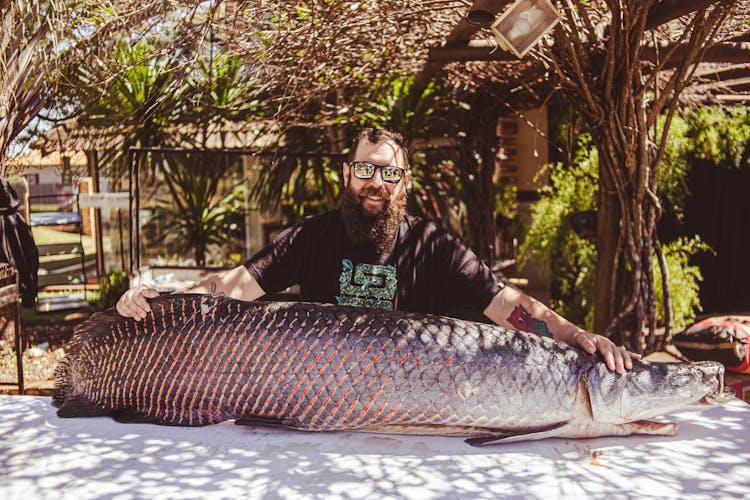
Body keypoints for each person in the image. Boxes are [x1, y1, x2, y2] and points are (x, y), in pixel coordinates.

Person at [117, 128, 637, 373]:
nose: (375, 182)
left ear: (403, 181)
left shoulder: (432, 245)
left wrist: (574, 334)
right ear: (347, 174)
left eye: (388, 173)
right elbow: (231, 287)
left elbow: (508, 305)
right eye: (365, 169)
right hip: (318, 399)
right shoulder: (311, 238)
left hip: (416, 402)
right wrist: (159, 298)